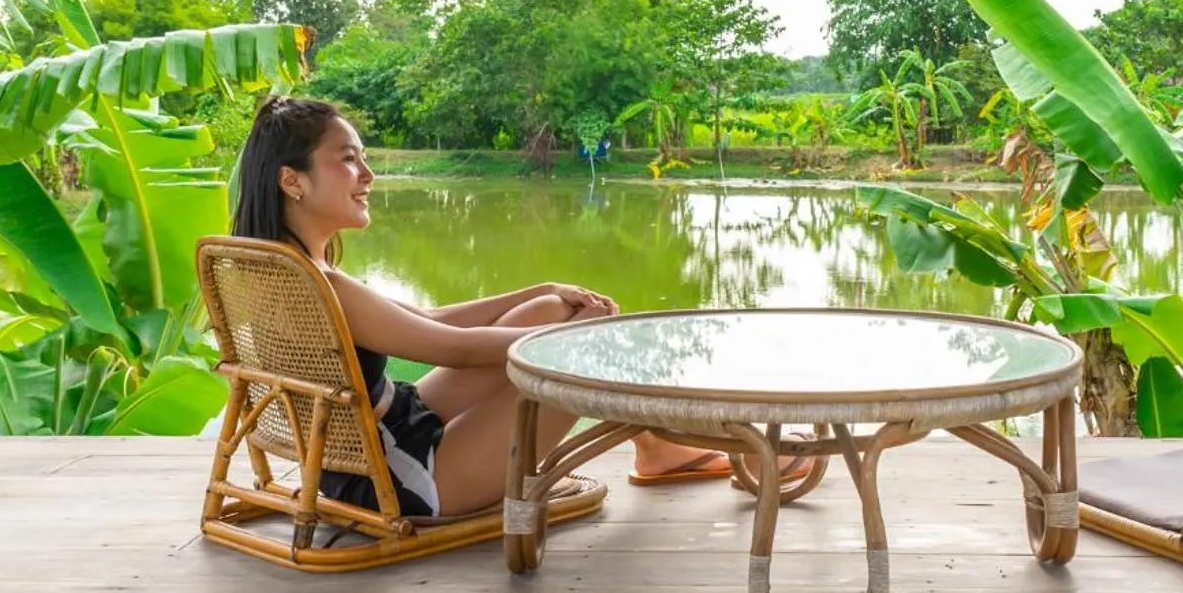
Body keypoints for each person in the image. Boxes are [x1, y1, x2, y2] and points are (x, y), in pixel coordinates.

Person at [230, 96, 798, 518]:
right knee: (577, 351)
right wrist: (581, 343)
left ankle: (658, 444)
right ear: (292, 181)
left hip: (386, 432)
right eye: (348, 159)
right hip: (403, 477)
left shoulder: (290, 270)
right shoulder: (318, 283)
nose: (367, 174)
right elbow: (453, 346)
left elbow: (426, 321)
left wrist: (536, 292)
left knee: (552, 310)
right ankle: (702, 440)